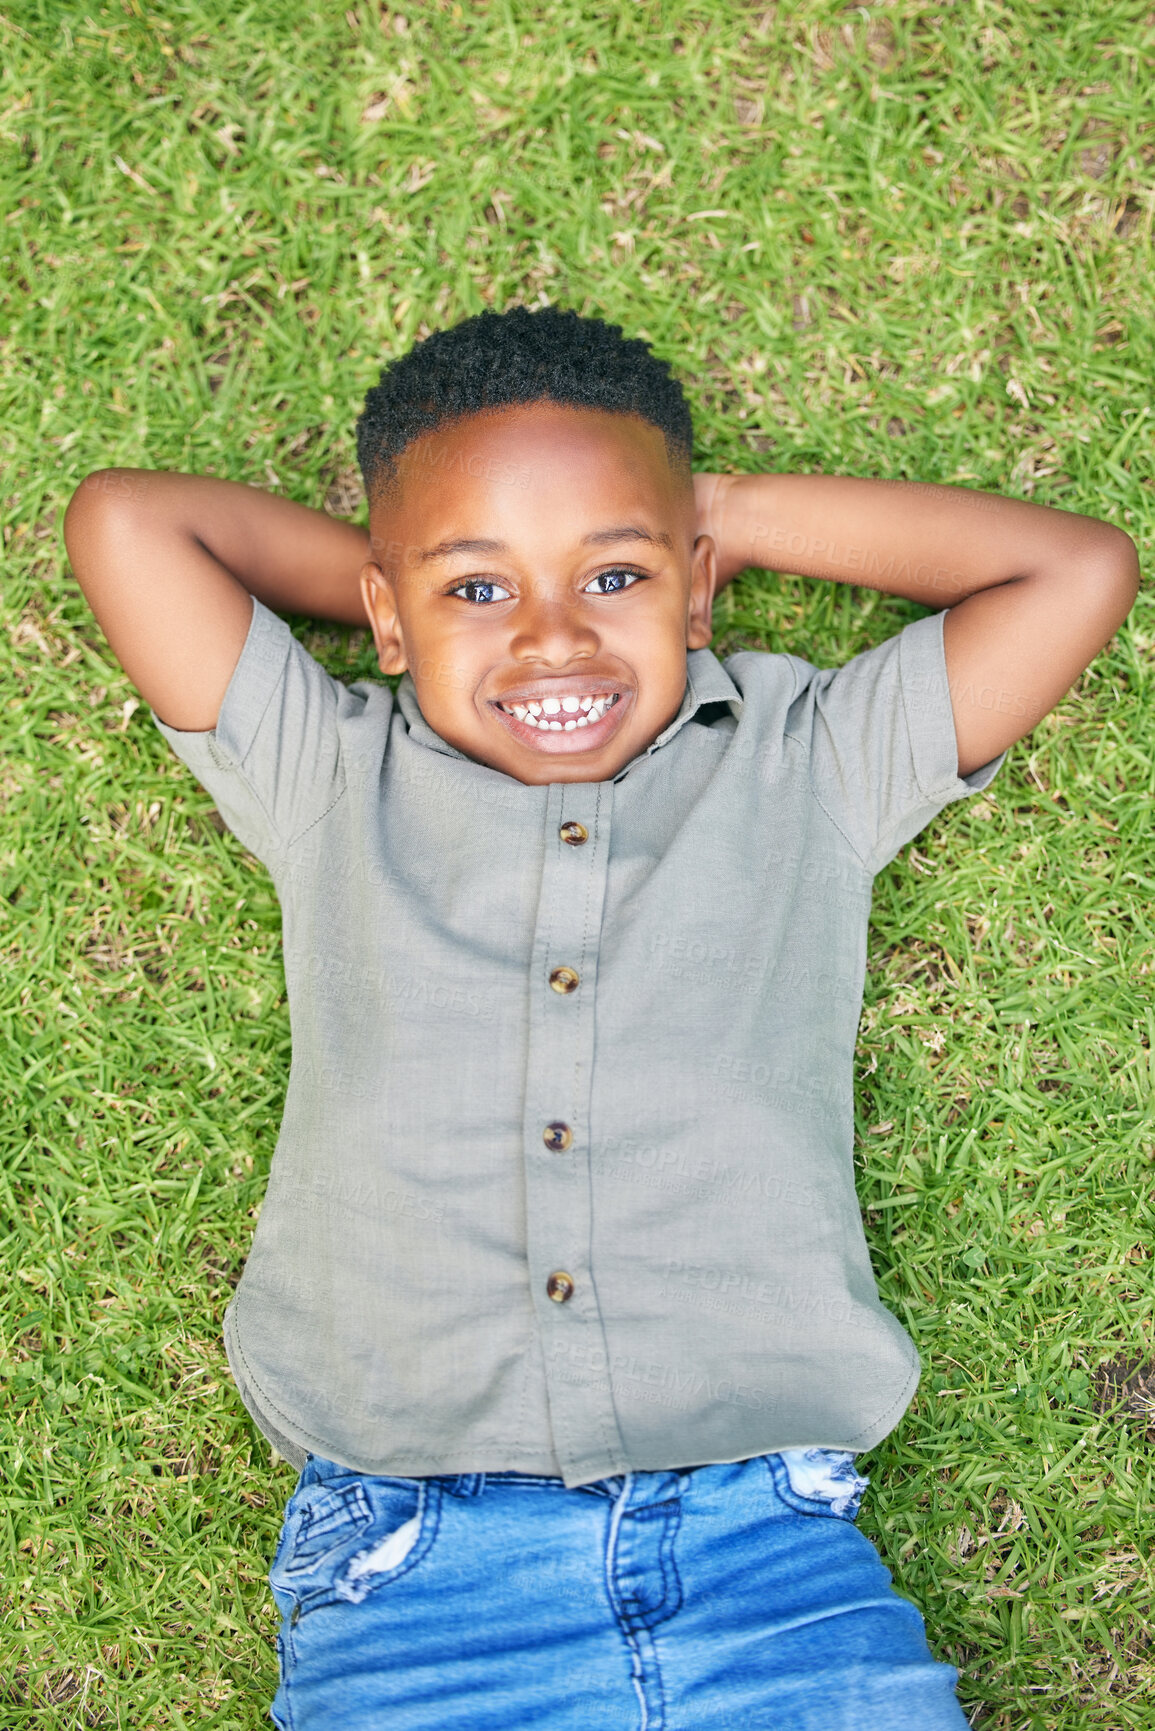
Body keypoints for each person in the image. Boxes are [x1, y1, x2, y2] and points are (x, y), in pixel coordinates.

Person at [63, 306, 1138, 1730]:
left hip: (774, 1561)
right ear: (383, 615)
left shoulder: (809, 762)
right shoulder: (329, 772)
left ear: (699, 591)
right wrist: (427, 564)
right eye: (478, 595)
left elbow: (1073, 568)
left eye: (614, 576)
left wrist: (713, 515)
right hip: (422, 1593)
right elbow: (131, 524)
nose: (555, 641)